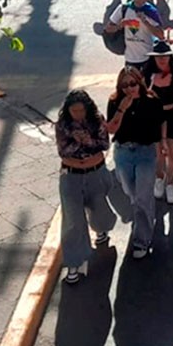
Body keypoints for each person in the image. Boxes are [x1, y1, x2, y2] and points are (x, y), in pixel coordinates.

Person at [55, 89, 115, 285]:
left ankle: (102, 228)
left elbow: (104, 144)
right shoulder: (63, 125)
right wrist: (75, 140)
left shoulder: (97, 120)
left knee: (100, 210)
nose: (78, 114)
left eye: (81, 110)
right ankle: (74, 263)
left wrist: (87, 140)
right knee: (72, 221)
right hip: (71, 176)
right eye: (74, 111)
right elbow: (62, 151)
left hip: (95, 173)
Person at [106, 67, 164, 259]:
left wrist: (161, 147)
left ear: (139, 82)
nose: (129, 88)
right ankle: (145, 217)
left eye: (132, 84)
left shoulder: (151, 101)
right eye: (125, 85)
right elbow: (112, 130)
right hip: (123, 152)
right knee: (131, 194)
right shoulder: (115, 101)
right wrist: (123, 107)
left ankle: (142, 240)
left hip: (145, 152)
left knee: (142, 197)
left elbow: (159, 124)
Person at [142, 41, 173, 205]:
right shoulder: (147, 75)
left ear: (170, 57)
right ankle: (159, 179)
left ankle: (170, 184)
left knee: (172, 152)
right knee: (158, 152)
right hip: (155, 117)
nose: (162, 60)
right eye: (158, 57)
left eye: (165, 56)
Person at [104, 0, 165, 70]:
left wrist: (145, 22)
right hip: (130, 58)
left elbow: (161, 35)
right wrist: (119, 26)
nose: (141, 1)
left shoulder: (151, 12)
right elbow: (108, 29)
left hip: (148, 57)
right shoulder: (123, 9)